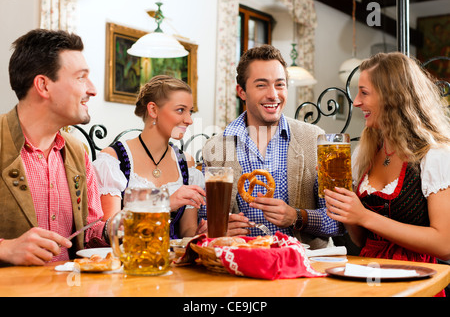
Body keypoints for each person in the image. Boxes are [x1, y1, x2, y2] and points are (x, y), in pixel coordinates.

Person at [323, 52, 450, 295]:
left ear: (392, 97)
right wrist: (345, 204)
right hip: (365, 276)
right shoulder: (367, 153)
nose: (356, 102)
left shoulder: (434, 155)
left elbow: (444, 244)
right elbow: (362, 241)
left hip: (415, 281)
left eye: (364, 92)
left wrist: (363, 216)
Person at [200, 45, 344, 249]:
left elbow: (340, 221)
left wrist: (297, 217)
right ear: (241, 91)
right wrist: (219, 229)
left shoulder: (316, 139)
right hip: (241, 264)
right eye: (261, 85)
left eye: (279, 84)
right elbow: (201, 221)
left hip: (304, 268)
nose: (273, 95)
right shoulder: (215, 149)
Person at [0, 29, 108, 266]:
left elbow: (87, 232)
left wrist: (118, 228)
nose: (92, 89)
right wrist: (5, 248)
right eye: (81, 77)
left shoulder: (78, 151)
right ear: (43, 86)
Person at [93, 75, 205, 239]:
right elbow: (112, 233)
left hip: (173, 263)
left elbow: (187, 232)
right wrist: (164, 203)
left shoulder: (187, 164)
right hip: (130, 260)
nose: (189, 120)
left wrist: (203, 234)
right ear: (153, 110)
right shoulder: (113, 159)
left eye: (191, 112)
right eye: (180, 110)